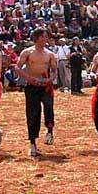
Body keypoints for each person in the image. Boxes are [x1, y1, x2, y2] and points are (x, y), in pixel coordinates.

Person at [16, 28, 57, 156]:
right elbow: (17, 67)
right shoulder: (27, 52)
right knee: (33, 113)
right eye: (43, 37)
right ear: (37, 37)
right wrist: (29, 78)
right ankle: (32, 142)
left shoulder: (50, 54)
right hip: (32, 85)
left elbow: (54, 70)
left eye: (46, 37)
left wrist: (50, 79)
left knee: (49, 107)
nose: (45, 39)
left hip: (45, 85)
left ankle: (49, 130)